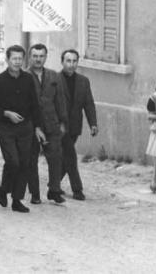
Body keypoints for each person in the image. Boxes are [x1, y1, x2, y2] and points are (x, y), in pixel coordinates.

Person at [0, 45, 43, 213]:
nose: (17, 62)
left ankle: (17, 200)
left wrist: (38, 127)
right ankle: (4, 189)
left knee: (24, 163)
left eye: (20, 59)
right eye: (14, 59)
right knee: (13, 162)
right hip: (6, 129)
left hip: (25, 128)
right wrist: (6, 113)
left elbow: (35, 104)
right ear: (7, 60)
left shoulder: (28, 79)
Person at [26, 44, 67, 204]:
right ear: (30, 57)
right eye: (35, 56)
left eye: (41, 56)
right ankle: (35, 193)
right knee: (31, 160)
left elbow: (60, 100)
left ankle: (54, 191)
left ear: (46, 57)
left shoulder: (54, 76)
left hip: (52, 124)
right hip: (31, 126)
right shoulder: (24, 76)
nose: (38, 59)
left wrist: (63, 122)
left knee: (56, 158)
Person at [59, 49, 98, 201]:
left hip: (75, 126)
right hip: (59, 127)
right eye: (68, 61)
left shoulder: (83, 81)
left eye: (74, 61)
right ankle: (77, 189)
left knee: (65, 158)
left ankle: (53, 183)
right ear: (62, 62)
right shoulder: (54, 79)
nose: (71, 64)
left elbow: (89, 103)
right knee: (70, 156)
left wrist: (93, 123)